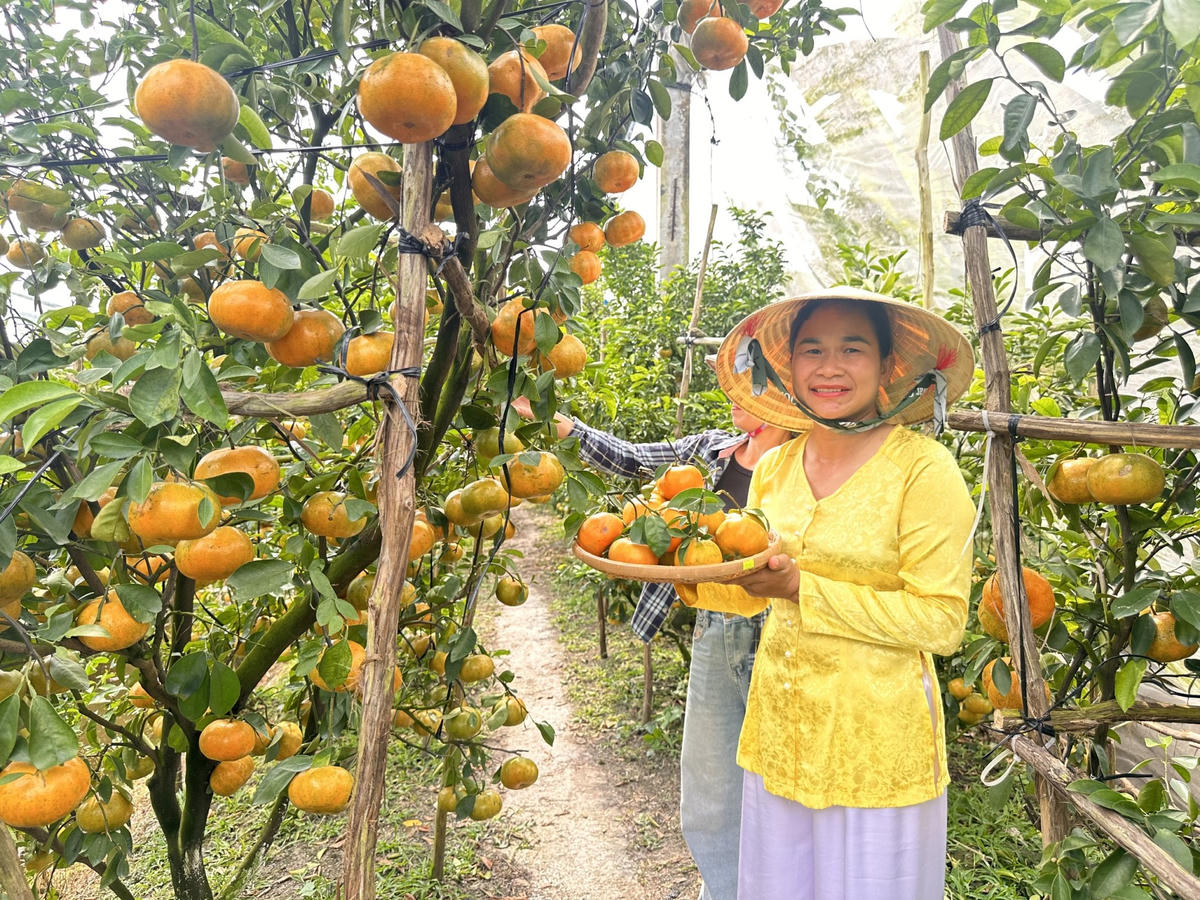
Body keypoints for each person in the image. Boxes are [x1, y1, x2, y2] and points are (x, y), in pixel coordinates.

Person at [694, 287, 976, 899]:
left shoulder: (922, 469)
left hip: (876, 742)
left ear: (884, 368)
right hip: (782, 730)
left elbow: (941, 621)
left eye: (853, 348)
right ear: (788, 367)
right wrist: (683, 572)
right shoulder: (773, 466)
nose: (830, 367)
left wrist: (803, 587)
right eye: (812, 350)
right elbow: (755, 592)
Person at [508, 386, 791, 900]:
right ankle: (723, 892)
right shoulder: (711, 451)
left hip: (785, 632)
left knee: (785, 788)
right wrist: (564, 426)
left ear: (782, 392)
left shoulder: (807, 459)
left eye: (749, 381)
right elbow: (636, 460)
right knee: (710, 792)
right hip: (715, 627)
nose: (732, 393)